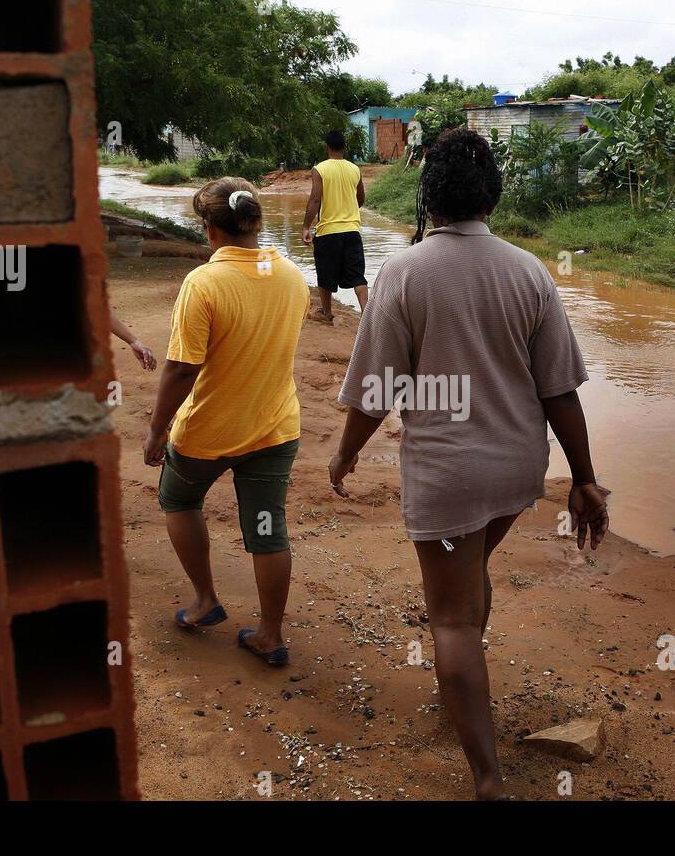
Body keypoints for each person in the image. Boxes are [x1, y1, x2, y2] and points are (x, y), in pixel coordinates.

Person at [329, 128, 608, 800]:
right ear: (493, 195)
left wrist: (343, 454)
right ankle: (464, 681)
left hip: (449, 472)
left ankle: (487, 779)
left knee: (449, 619)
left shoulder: (404, 273)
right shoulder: (529, 272)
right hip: (517, 469)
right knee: (471, 569)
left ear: (428, 196)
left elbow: (377, 392)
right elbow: (558, 390)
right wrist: (585, 478)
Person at [144, 177, 310, 667]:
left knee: (179, 499)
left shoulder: (205, 283)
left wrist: (156, 431)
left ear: (209, 228)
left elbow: (180, 368)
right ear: (256, 221)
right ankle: (271, 634)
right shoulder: (292, 276)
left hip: (209, 434)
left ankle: (204, 600)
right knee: (266, 528)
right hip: (275, 428)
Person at [302, 129, 367, 323]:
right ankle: (367, 315)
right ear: (344, 148)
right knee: (357, 276)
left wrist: (306, 226)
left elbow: (315, 199)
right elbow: (361, 198)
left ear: (327, 148)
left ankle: (326, 312)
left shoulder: (320, 169)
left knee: (325, 273)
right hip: (352, 231)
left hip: (328, 231)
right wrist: (349, 209)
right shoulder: (355, 169)